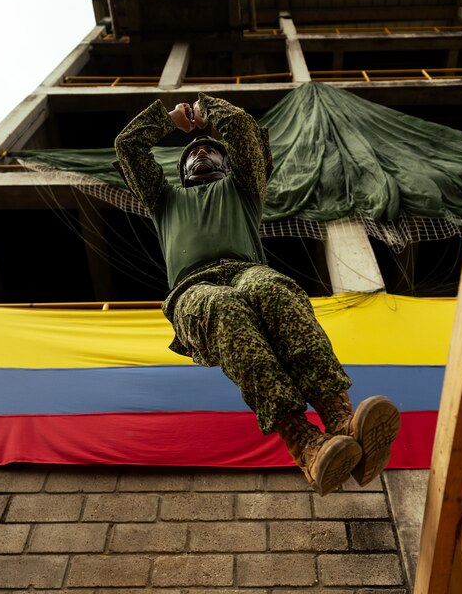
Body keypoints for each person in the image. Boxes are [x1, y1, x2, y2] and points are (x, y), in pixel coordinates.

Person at [114, 93, 399, 495]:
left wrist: (209, 114)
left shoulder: (244, 189)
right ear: (180, 172)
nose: (200, 155)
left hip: (248, 270)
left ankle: (341, 419)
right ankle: (304, 443)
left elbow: (245, 132)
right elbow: (128, 148)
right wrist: (168, 121)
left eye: (210, 151)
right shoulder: (164, 201)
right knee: (221, 308)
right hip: (194, 288)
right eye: (191, 156)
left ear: (226, 164)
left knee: (272, 289)